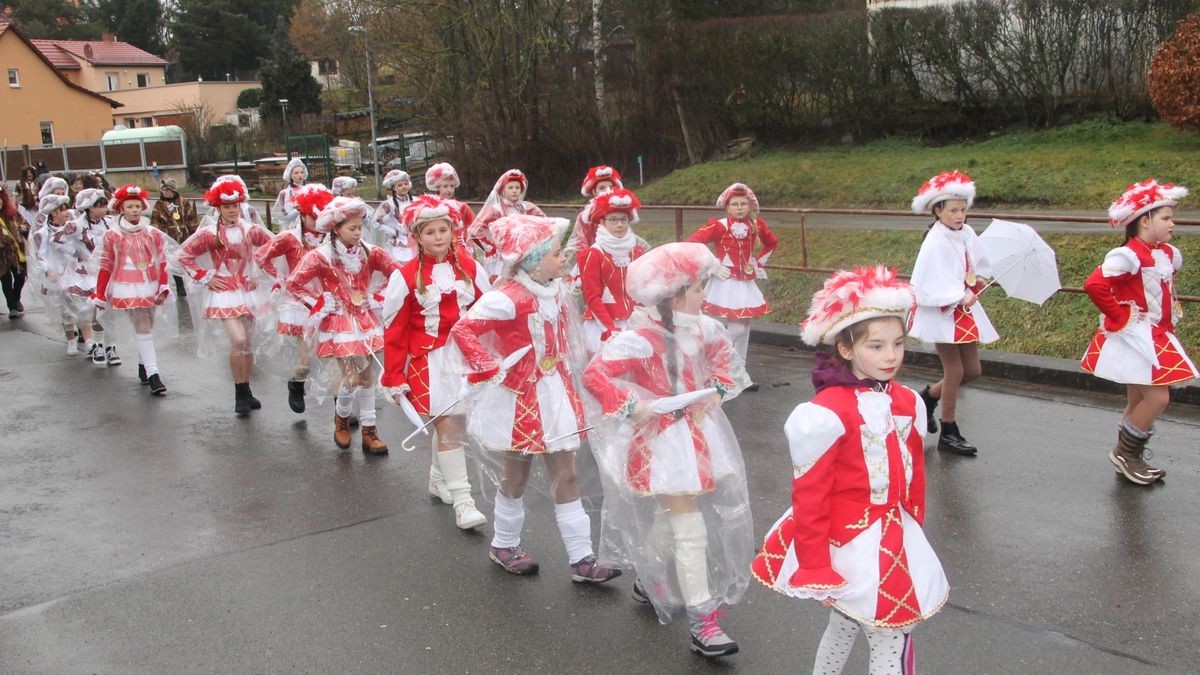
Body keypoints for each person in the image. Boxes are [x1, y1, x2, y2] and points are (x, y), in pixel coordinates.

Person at [752, 266, 948, 675]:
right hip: (847, 541)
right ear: (845, 349)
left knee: (851, 625)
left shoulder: (909, 401)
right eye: (875, 346)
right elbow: (810, 494)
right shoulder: (824, 414)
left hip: (894, 536)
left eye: (897, 344)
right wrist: (815, 567)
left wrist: (915, 528)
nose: (891, 356)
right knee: (885, 637)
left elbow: (914, 477)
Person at [582, 241, 752, 658]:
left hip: (697, 435)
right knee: (690, 526)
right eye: (698, 289)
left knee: (675, 511)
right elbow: (595, 375)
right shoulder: (638, 339)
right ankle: (703, 622)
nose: (704, 296)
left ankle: (650, 571)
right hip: (659, 442)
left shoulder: (706, 328)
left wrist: (716, 391)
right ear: (674, 295)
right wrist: (632, 405)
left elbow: (725, 367)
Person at [450, 214, 620, 583]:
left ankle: (581, 558)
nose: (563, 259)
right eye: (557, 253)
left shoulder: (555, 289)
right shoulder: (508, 297)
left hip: (555, 392)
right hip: (520, 398)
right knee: (516, 473)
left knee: (567, 473)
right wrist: (486, 365)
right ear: (533, 259)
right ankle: (504, 543)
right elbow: (464, 330)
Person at [380, 194, 490, 529]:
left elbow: (489, 313)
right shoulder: (406, 275)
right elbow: (394, 330)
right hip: (429, 361)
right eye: (430, 232)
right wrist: (394, 375)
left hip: (465, 358)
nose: (439, 236)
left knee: (453, 425)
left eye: (444, 229)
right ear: (416, 237)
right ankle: (463, 501)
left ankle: (437, 478)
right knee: (450, 425)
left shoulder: (471, 267)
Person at [1081, 179, 1198, 485]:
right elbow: (1094, 284)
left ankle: (1127, 455)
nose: (1173, 223)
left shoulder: (1165, 252)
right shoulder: (1129, 255)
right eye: (1166, 218)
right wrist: (1120, 315)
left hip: (1158, 332)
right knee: (1158, 397)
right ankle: (1125, 453)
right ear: (1145, 221)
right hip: (1138, 336)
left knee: (1137, 399)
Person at [285, 196, 403, 454]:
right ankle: (341, 419)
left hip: (365, 320)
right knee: (351, 378)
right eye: (352, 228)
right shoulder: (320, 256)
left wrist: (379, 296)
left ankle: (370, 431)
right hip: (338, 322)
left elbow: (399, 274)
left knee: (368, 376)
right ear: (336, 229)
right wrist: (319, 302)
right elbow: (293, 284)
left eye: (360, 227)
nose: (358, 233)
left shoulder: (371, 251)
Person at [908, 171, 996, 456]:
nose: (960, 215)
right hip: (943, 313)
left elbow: (976, 264)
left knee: (972, 371)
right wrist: (959, 295)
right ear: (937, 211)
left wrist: (977, 280)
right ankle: (948, 431)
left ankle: (927, 397)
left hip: (964, 310)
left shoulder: (967, 233)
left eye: (963, 209)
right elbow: (927, 284)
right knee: (955, 370)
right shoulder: (934, 241)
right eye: (953, 210)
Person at [177, 178, 275, 415]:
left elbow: (274, 248)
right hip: (224, 292)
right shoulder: (209, 233)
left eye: (235, 205)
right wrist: (206, 276)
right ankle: (239, 392)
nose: (232, 210)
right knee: (238, 340)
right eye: (227, 206)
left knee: (248, 343)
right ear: (218, 208)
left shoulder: (252, 230)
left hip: (248, 291)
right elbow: (182, 255)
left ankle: (247, 388)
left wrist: (260, 273)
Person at [687, 183, 778, 391]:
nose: (739, 207)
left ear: (750, 206)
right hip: (724, 282)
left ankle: (739, 375)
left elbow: (771, 243)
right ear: (727, 207)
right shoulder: (718, 225)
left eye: (743, 203)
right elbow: (694, 243)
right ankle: (713, 362)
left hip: (744, 282)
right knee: (736, 328)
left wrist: (758, 263)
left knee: (744, 329)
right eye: (734, 204)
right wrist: (712, 265)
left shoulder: (756, 225)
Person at [256, 183, 334, 413]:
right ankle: (296, 383)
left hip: (330, 300)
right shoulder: (289, 238)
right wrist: (280, 279)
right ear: (302, 215)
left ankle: (343, 407)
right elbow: (262, 257)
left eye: (323, 218)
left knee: (338, 355)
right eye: (313, 217)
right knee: (308, 355)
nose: (318, 223)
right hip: (300, 301)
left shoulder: (333, 239)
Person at [90, 185, 172, 394]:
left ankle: (143, 365)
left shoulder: (152, 233)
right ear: (121, 208)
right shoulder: (113, 235)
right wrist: (100, 293)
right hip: (125, 285)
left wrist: (163, 284)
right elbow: (106, 265)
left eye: (138, 206)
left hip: (149, 283)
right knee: (143, 326)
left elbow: (162, 260)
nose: (135, 210)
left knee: (146, 327)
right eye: (130, 206)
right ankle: (154, 375)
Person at [577, 188, 646, 354]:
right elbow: (592, 297)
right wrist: (610, 329)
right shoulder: (594, 254)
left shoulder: (636, 251)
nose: (620, 224)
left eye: (623, 219)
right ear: (602, 222)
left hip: (634, 322)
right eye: (613, 219)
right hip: (603, 326)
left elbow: (643, 290)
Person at [36, 193, 96, 357]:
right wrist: (49, 270)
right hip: (58, 276)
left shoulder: (72, 228)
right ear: (54, 212)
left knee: (84, 306)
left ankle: (89, 341)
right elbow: (40, 256)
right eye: (63, 210)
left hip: (76, 273)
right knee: (66, 311)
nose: (68, 212)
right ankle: (71, 339)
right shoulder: (42, 233)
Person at [469, 169, 546, 279]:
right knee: (501, 283)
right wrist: (491, 248)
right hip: (501, 258)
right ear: (503, 191)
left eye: (517, 188)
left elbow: (544, 222)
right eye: (510, 187)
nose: (514, 191)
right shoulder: (496, 210)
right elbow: (475, 231)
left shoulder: (527, 207)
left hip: (523, 254)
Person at [72, 188, 113, 365]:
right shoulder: (76, 226)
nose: (106, 209)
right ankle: (94, 344)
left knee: (108, 311)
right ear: (91, 208)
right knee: (93, 310)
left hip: (107, 272)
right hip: (86, 275)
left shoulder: (110, 223)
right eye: (102, 206)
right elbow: (56, 240)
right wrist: (74, 256)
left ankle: (111, 346)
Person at [150, 178, 199, 297]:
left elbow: (192, 218)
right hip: (169, 237)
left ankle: (195, 281)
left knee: (187, 260)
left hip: (184, 235)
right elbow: (155, 222)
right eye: (163, 189)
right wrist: (160, 235)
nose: (165, 192)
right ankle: (180, 286)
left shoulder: (183, 201)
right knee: (174, 261)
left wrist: (194, 233)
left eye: (168, 189)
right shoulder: (159, 204)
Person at [572, 164, 623, 252]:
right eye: (602, 188)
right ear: (594, 191)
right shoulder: (585, 217)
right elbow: (581, 244)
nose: (607, 191)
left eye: (610, 187)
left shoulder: (621, 212)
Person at [424, 163, 474, 251]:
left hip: (462, 248)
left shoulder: (461, 207)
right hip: (440, 249)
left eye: (452, 186)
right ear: (437, 187)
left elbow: (475, 227)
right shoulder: (430, 208)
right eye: (445, 186)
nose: (449, 190)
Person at [372, 169, 416, 265]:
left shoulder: (416, 201)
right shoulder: (388, 204)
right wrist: (393, 232)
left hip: (416, 241)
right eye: (400, 185)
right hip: (398, 244)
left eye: (405, 184)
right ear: (394, 188)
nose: (404, 187)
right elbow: (375, 222)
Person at [1, 185, 28, 318]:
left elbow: (25, 224)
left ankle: (16, 298)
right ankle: (12, 306)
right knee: (5, 280)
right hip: (2, 257)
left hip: (16, 254)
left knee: (20, 277)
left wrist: (24, 229)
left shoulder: (11, 214)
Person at [273, 158, 308, 229]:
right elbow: (284, 216)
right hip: (291, 228)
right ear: (290, 175)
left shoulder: (309, 190)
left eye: (301, 172)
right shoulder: (285, 193)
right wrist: (299, 209)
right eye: (296, 173)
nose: (300, 175)